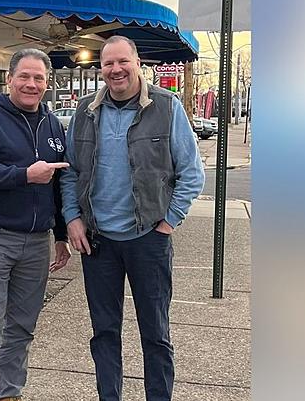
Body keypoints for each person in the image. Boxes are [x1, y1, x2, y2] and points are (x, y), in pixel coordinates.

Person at [60, 36, 205, 401]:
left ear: (138, 63)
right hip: (98, 243)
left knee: (155, 334)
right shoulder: (85, 111)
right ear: (101, 69)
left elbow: (192, 174)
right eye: (108, 64)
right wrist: (72, 218)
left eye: (122, 61)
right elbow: (71, 172)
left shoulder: (167, 107)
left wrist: (168, 223)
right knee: (104, 333)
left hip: (148, 240)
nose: (115, 70)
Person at [0, 48, 72, 401]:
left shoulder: (52, 124)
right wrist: (25, 175)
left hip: (37, 241)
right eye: (24, 76)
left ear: (47, 83)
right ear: (9, 79)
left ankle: (10, 393)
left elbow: (57, 184)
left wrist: (61, 235)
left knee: (23, 327)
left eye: (39, 77)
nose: (31, 83)